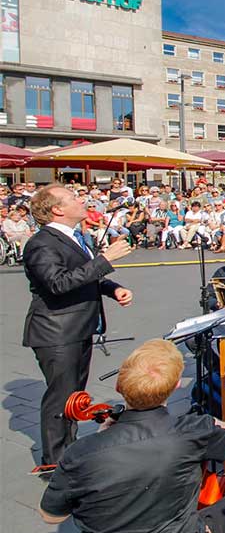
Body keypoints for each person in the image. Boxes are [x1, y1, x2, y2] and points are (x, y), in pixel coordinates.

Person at [39, 339, 225, 533]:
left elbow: (50, 516)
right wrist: (211, 423)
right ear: (176, 385)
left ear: (118, 386)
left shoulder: (79, 452)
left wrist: (102, 434)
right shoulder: (192, 432)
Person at [23, 184, 133, 471]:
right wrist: (105, 260)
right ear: (57, 209)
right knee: (60, 397)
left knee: (74, 396)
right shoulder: (41, 243)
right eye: (72, 198)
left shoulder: (73, 237)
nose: (81, 200)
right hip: (57, 332)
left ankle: (68, 452)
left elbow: (80, 277)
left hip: (78, 328)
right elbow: (58, 283)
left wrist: (113, 288)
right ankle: (55, 464)